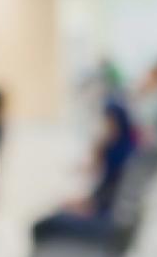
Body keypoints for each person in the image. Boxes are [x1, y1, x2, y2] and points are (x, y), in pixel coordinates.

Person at [32, 96, 140, 241]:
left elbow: (105, 198)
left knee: (42, 225)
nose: (106, 126)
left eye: (108, 122)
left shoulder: (119, 154)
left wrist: (84, 205)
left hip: (105, 219)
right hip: (105, 210)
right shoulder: (122, 150)